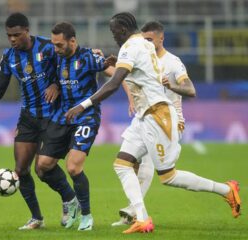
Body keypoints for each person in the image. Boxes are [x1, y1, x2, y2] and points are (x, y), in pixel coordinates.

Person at [65, 12, 241, 234]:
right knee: (122, 164)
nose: (113, 36)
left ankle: (226, 189)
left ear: (122, 29)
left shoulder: (131, 47)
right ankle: (142, 218)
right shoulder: (145, 45)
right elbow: (140, 73)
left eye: (113, 32)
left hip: (158, 114)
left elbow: (112, 85)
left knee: (168, 176)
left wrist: (83, 105)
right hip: (143, 115)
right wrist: (118, 63)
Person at [0, 13, 77, 230]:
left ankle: (69, 200)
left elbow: (67, 69)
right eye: (9, 36)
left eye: (16, 35)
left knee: (43, 169)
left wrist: (55, 83)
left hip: (53, 116)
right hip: (28, 117)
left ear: (27, 31)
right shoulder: (8, 57)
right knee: (21, 169)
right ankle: (36, 218)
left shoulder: (48, 48)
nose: (12, 39)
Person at [112, 20, 197, 226]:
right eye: (144, 38)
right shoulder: (142, 55)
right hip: (147, 115)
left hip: (169, 118)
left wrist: (174, 85)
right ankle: (137, 212)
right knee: (126, 162)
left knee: (155, 166)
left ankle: (136, 213)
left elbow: (191, 90)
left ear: (161, 38)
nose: (146, 41)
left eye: (150, 39)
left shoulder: (173, 62)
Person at [36, 21, 119, 231]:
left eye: (59, 45)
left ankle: (87, 215)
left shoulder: (89, 57)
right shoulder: (56, 55)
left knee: (73, 167)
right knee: (42, 166)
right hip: (62, 116)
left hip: (86, 117)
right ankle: (70, 200)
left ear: (72, 41)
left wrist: (129, 90)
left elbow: (115, 72)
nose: (56, 49)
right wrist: (54, 83)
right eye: (54, 44)